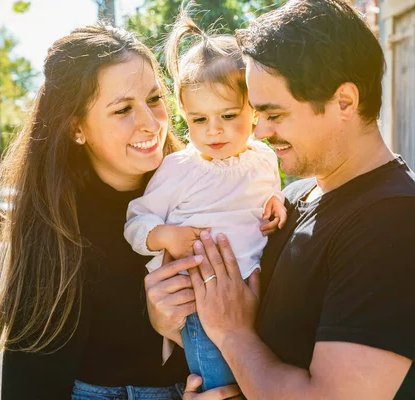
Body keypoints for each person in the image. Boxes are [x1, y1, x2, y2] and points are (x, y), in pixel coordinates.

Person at [146, 1, 415, 399]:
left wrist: (231, 334)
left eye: (274, 114)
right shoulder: (290, 201)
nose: (259, 132)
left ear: (344, 102)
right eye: (256, 113)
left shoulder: (399, 226)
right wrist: (169, 317)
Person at [0, 25, 239, 400]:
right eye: (123, 109)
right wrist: (153, 317)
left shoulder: (211, 181)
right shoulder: (55, 219)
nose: (151, 123)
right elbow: (31, 369)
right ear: (76, 129)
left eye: (155, 99)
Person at [123, 9, 286, 393]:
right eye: (198, 120)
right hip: (201, 300)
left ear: (253, 110)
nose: (213, 130)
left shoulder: (263, 157)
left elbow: (270, 194)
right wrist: (166, 236)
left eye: (228, 115)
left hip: (260, 293)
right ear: (183, 114)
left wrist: (278, 204)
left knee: (262, 379)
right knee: (220, 382)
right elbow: (135, 222)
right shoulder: (178, 169)